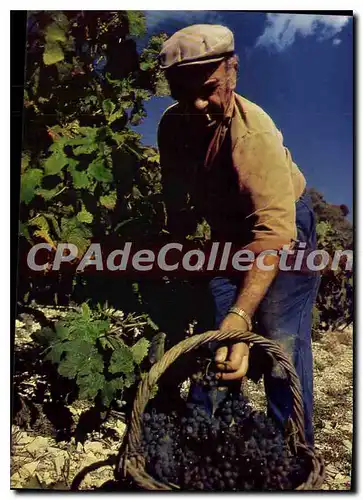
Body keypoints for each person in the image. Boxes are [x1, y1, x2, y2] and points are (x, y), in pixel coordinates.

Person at [157, 24, 320, 446]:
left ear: (233, 70)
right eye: (182, 92)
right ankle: (208, 441)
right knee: (218, 328)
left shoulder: (253, 135)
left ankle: (292, 449)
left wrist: (243, 316)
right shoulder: (173, 128)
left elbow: (272, 234)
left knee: (278, 335)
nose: (196, 103)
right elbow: (177, 204)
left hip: (284, 229)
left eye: (209, 88)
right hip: (229, 233)